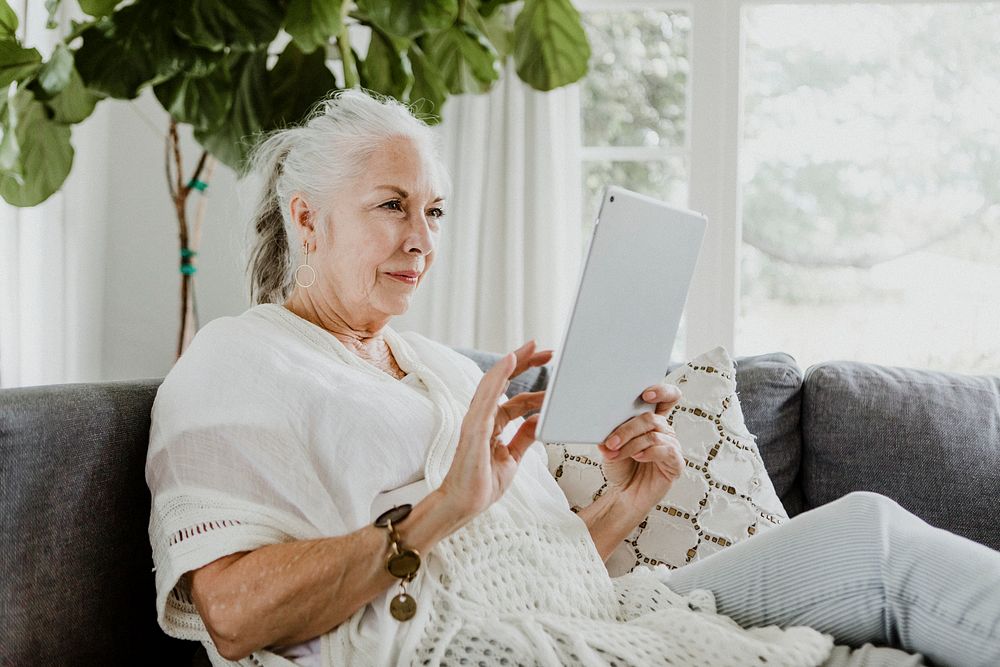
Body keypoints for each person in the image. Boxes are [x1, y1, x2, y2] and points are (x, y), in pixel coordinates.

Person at [145, 89, 1000, 667]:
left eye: (434, 210)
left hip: (587, 605)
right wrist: (440, 507)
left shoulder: (437, 364)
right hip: (474, 641)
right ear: (307, 218)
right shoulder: (235, 360)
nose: (422, 238)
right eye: (392, 204)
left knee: (868, 535)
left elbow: (531, 566)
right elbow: (231, 611)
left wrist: (629, 498)